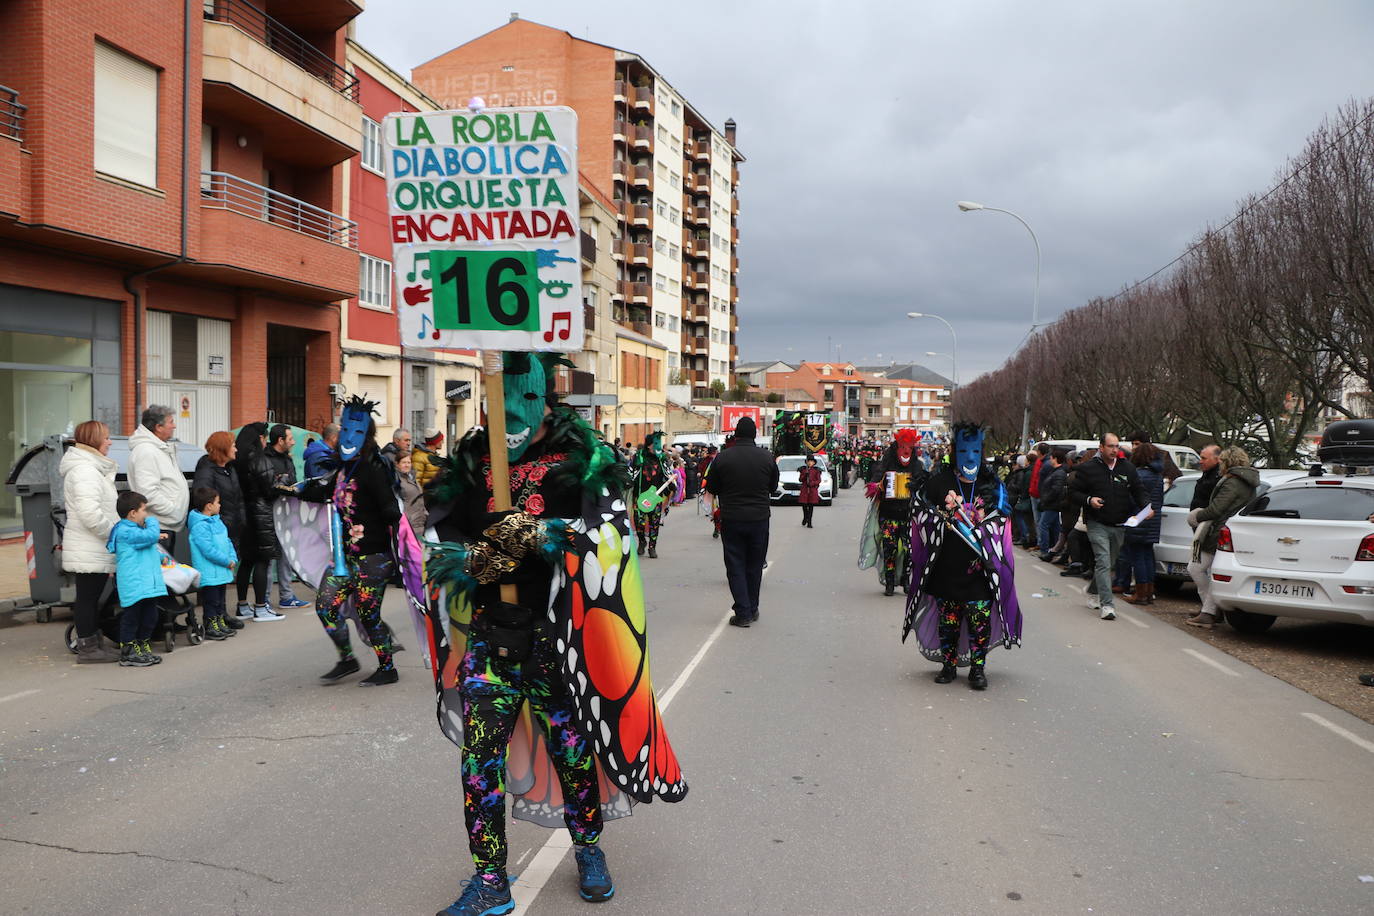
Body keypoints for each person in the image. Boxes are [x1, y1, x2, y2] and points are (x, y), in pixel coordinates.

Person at [424, 353, 687, 915]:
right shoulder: (474, 458)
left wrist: (541, 532)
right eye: (502, 398)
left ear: (546, 398)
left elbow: (611, 536)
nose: (512, 412)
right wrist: (491, 553)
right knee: (479, 761)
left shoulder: (584, 459)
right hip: (491, 639)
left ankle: (589, 848)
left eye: (525, 398)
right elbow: (442, 545)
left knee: (573, 754)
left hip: (558, 645)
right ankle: (490, 878)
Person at [903, 422, 1021, 690]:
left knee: (979, 620)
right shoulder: (938, 482)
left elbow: (1003, 519)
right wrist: (939, 517)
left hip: (980, 569)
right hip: (946, 567)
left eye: (976, 451)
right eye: (965, 450)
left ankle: (978, 670)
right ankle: (948, 665)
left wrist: (985, 524)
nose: (970, 457)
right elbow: (918, 512)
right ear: (955, 452)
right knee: (949, 620)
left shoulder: (993, 485)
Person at [309, 397, 404, 686]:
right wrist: (285, 489)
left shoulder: (373, 470)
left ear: (366, 437)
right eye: (345, 431)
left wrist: (401, 543)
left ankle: (387, 668)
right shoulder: (342, 468)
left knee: (367, 613)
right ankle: (347, 659)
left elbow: (392, 511)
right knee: (325, 606)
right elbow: (323, 494)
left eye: (357, 432)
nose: (349, 438)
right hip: (344, 558)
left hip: (373, 557)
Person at [58, 420, 121, 662]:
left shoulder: (91, 468)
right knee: (87, 598)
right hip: (90, 544)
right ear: (94, 440)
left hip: (94, 544)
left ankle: (94, 643)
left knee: (93, 597)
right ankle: (88, 648)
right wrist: (114, 533)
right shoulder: (85, 470)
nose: (110, 441)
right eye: (106, 437)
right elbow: (90, 514)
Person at [706, 416, 778, 627]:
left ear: (736, 435)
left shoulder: (723, 458)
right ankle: (752, 607)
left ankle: (743, 611)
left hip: (733, 518)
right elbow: (773, 487)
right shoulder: (767, 457)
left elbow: (712, 487)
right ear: (755, 434)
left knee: (735, 565)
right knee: (755, 565)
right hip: (759, 518)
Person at [1069, 432, 1148, 621]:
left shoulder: (1127, 468)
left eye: (1117, 446)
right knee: (1103, 561)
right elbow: (1073, 492)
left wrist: (1147, 507)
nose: (1115, 450)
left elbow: (1139, 490)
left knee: (1108, 564)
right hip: (1097, 523)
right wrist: (1089, 500)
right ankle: (1107, 605)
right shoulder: (1088, 468)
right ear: (1101, 447)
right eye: (1111, 446)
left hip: (1119, 524)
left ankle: (1093, 589)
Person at [1185, 446, 1258, 629]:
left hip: (1219, 531)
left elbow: (1217, 508)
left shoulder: (1233, 482)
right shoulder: (1244, 481)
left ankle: (1209, 612)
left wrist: (1196, 516)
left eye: (1222, 462)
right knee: (1199, 568)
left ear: (1228, 462)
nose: (1220, 466)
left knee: (1196, 568)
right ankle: (1210, 609)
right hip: (1224, 530)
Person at [193, 431, 247, 631]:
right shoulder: (207, 470)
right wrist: (221, 523)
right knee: (214, 575)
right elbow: (204, 500)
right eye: (232, 445)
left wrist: (241, 519)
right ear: (223, 448)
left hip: (231, 528)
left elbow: (237, 497)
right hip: (217, 529)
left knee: (224, 573)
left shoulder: (229, 469)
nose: (236, 448)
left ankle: (222, 614)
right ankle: (213, 617)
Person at [106, 491, 165, 667]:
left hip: (146, 583)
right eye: (144, 510)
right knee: (132, 618)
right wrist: (153, 522)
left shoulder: (136, 530)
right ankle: (128, 651)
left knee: (150, 616)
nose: (146, 515)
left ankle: (142, 645)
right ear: (133, 513)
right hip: (135, 583)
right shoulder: (125, 531)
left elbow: (146, 548)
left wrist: (161, 558)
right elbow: (150, 537)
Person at [233, 423, 284, 621]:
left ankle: (242, 605)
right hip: (261, 513)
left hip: (243, 512)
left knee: (246, 561)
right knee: (263, 560)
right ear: (260, 439)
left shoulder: (237, 460)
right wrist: (280, 483)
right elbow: (269, 488)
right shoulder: (260, 459)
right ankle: (261, 607)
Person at [866, 429, 925, 596]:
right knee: (889, 550)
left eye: (910, 448)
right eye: (903, 447)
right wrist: (878, 486)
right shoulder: (886, 464)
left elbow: (924, 490)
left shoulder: (917, 465)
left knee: (908, 551)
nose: (906, 451)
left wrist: (916, 488)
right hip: (889, 515)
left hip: (908, 516)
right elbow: (874, 483)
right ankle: (890, 583)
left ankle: (906, 581)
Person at [127, 405, 188, 546]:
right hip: (157, 527)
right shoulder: (146, 451)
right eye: (171, 422)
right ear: (158, 427)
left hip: (163, 524)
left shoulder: (158, 448)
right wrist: (173, 510)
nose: (174, 426)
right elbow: (147, 492)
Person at [264, 425, 308, 609]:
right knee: (268, 558)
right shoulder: (265, 460)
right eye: (290, 438)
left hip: (287, 512)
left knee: (286, 555)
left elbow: (292, 482)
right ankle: (263, 599)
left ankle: (287, 596)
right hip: (268, 513)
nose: (293, 442)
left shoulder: (287, 460)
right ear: (280, 440)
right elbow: (268, 486)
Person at [188, 486, 238, 641]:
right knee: (211, 601)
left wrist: (233, 557)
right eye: (218, 502)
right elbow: (207, 550)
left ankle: (219, 621)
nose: (220, 505)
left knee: (220, 599)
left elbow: (227, 541)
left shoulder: (217, 521)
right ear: (209, 506)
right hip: (211, 571)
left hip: (222, 570)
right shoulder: (200, 526)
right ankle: (210, 625)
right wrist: (226, 561)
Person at [1121, 442, 1165, 605]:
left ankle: (1140, 594)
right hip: (1153, 518)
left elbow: (1132, 499)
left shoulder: (1138, 475)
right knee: (1147, 556)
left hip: (1138, 517)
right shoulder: (1158, 476)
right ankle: (1148, 592)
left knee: (1137, 556)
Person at [630, 433, 674, 558]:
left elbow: (668, 473)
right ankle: (642, 541)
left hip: (655, 496)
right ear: (649, 445)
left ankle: (652, 547)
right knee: (640, 522)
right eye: (655, 444)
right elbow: (630, 473)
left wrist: (671, 484)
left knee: (654, 523)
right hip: (640, 496)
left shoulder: (662, 458)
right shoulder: (638, 457)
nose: (658, 447)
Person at [1036, 449, 1068, 562]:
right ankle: (1054, 549)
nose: (1050, 460)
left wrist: (1045, 499)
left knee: (1043, 525)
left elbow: (1056, 490)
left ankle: (1045, 550)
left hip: (1052, 504)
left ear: (1055, 459)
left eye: (1051, 458)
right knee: (1055, 527)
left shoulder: (1059, 473)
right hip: (1052, 504)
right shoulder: (1056, 471)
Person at [396, 450, 428, 540]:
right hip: (408, 525)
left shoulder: (413, 478)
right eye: (403, 462)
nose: (406, 465)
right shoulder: (396, 481)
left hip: (420, 523)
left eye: (409, 462)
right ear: (397, 464)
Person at [1190, 444, 1222, 511]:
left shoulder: (1220, 478)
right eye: (1201, 458)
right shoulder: (1207, 474)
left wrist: (1201, 516)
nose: (1200, 461)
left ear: (1217, 459)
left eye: (1204, 458)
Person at [798, 454, 822, 528]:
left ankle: (809, 522)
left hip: (812, 490)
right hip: (805, 490)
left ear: (814, 462)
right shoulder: (804, 470)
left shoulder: (816, 470)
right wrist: (805, 474)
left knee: (811, 506)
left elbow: (818, 480)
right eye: (809, 461)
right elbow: (800, 479)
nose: (810, 463)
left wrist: (812, 483)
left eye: (811, 461)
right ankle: (805, 517)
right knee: (804, 505)